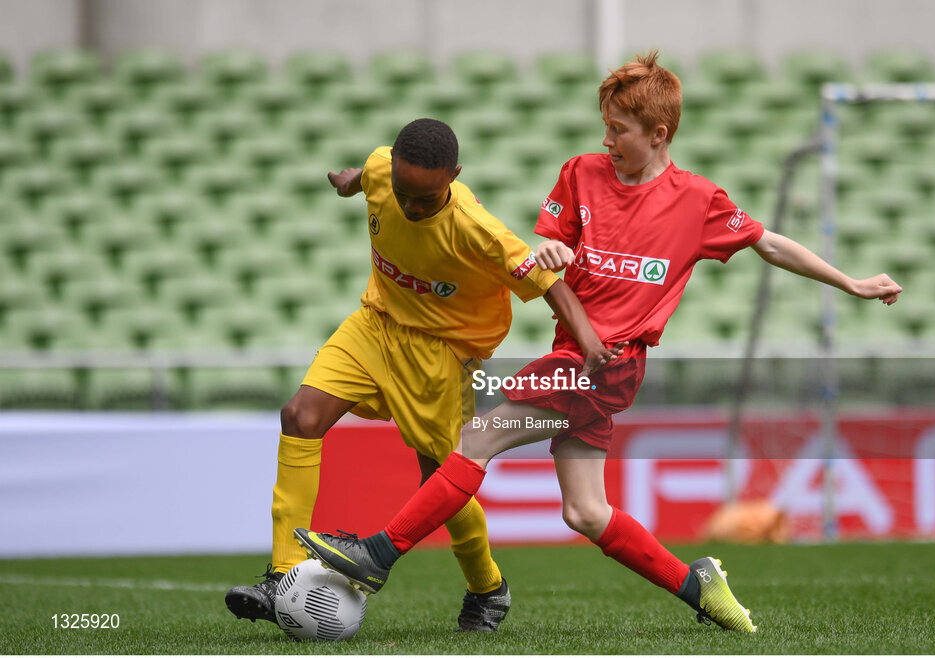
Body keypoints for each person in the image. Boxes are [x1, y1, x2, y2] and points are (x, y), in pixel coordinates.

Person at [292, 52, 903, 633]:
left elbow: (769, 242)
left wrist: (849, 282)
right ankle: (701, 588)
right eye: (605, 127)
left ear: (659, 133)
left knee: (477, 437)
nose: (607, 141)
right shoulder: (582, 173)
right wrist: (551, 249)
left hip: (608, 363)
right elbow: (547, 248)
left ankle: (377, 554)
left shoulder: (698, 201)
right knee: (585, 513)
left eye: (620, 130)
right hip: (577, 355)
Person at [225, 118, 618, 632]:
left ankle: (487, 588)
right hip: (375, 325)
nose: (410, 206)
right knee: (299, 416)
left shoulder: (478, 231)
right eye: (403, 193)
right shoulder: (382, 167)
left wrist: (589, 342)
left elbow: (550, 285)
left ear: (453, 176)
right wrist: (347, 181)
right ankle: (281, 577)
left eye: (425, 198)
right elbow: (363, 178)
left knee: (440, 479)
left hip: (442, 356)